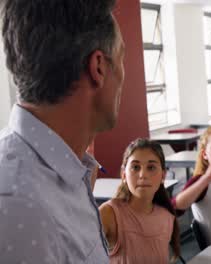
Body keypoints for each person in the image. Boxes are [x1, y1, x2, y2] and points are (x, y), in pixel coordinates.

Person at [0, 0, 125, 262]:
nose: (123, 74)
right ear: (99, 67)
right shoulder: (18, 208)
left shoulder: (64, 172)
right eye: (122, 57)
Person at [99, 139, 180, 263]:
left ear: (163, 176)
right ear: (124, 175)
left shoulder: (166, 216)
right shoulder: (109, 214)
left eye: (151, 167)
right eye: (135, 167)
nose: (143, 174)